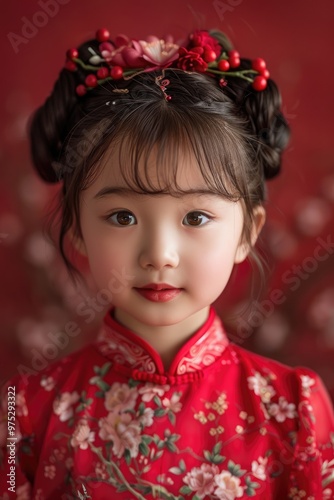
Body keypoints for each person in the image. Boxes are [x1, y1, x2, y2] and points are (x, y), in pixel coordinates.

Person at [0, 27, 333, 500]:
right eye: (122, 216)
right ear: (76, 229)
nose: (159, 254)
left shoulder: (294, 407)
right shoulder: (26, 410)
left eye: (196, 216)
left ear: (248, 231)